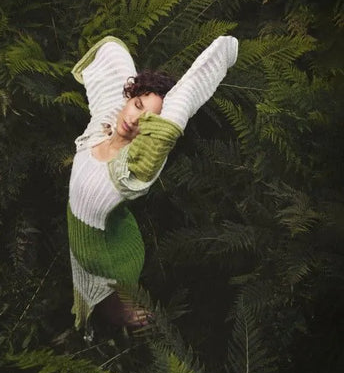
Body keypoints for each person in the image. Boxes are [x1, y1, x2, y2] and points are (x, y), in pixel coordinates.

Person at [68, 35, 238, 332]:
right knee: (85, 276)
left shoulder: (131, 170)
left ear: (154, 129)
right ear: (128, 99)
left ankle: (121, 315)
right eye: (137, 104)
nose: (135, 119)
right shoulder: (100, 128)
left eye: (149, 119)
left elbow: (173, 117)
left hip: (106, 256)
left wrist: (217, 58)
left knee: (109, 297)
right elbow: (113, 68)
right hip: (84, 236)